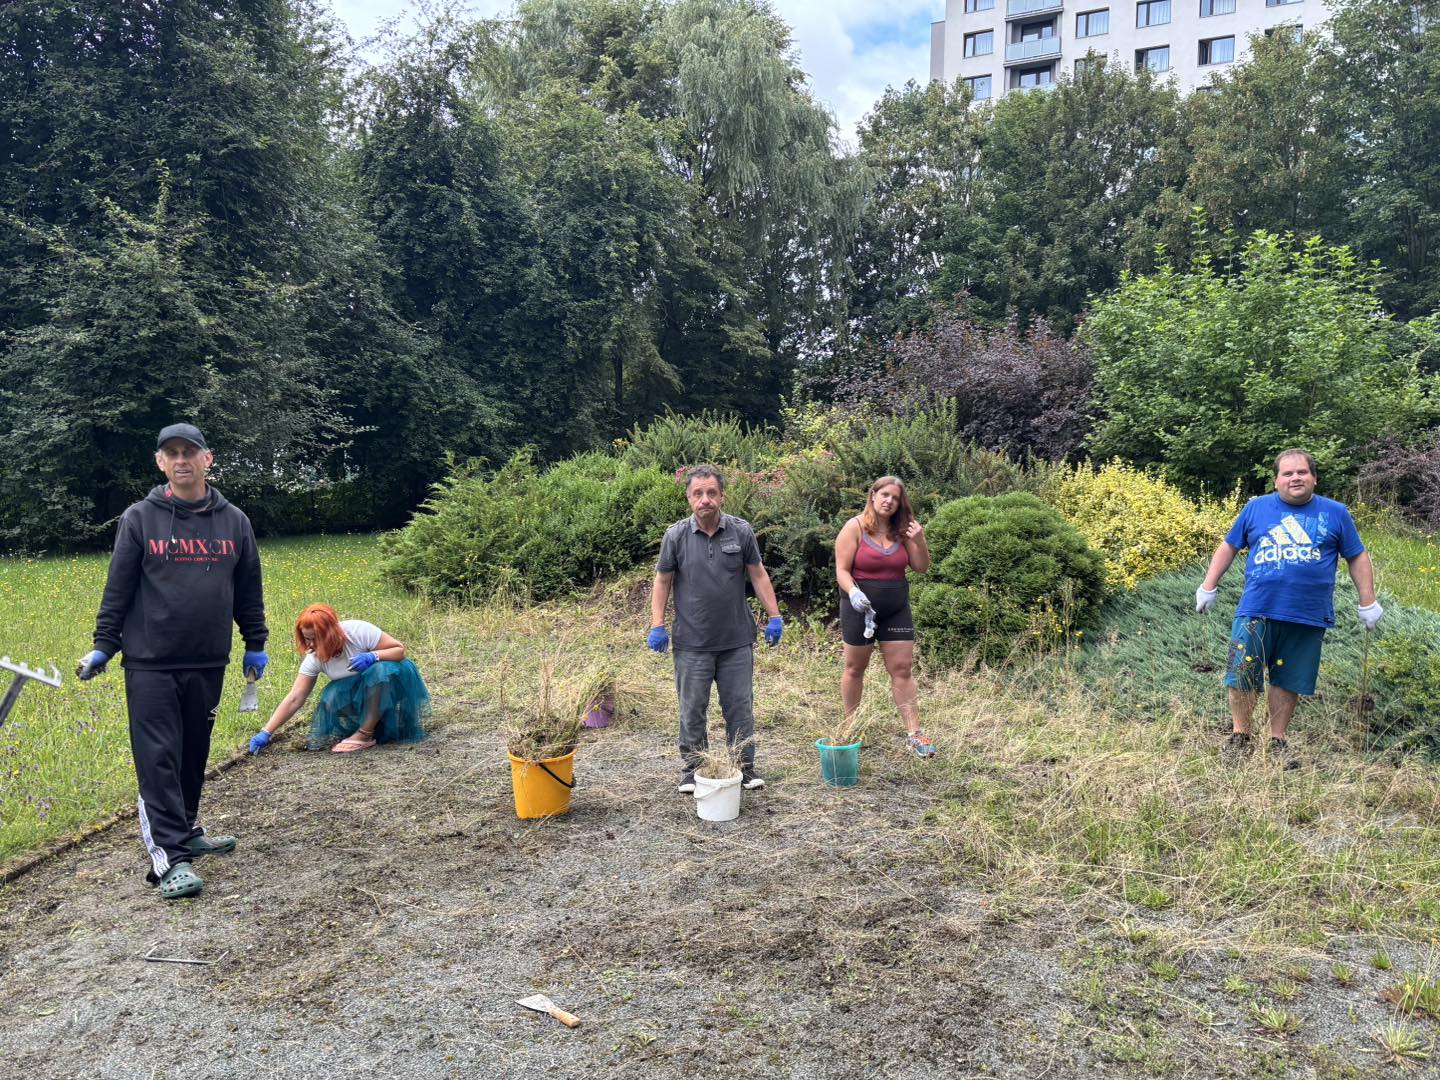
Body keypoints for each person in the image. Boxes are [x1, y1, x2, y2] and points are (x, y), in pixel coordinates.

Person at [77, 423, 268, 901]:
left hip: (208, 659)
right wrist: (105, 645)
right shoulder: (140, 518)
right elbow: (118, 588)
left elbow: (248, 588)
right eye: (172, 453)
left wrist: (255, 641)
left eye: (190, 452)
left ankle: (186, 829)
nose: (181, 460)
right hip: (151, 662)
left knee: (192, 752)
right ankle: (170, 859)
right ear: (160, 462)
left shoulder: (235, 522)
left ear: (208, 459)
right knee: (158, 758)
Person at [1196, 449, 1382, 769]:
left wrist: (1368, 600)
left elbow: (1357, 555)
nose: (1295, 478)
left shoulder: (1335, 513)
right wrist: (1208, 584)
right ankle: (1241, 736)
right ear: (1276, 481)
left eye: (1302, 472)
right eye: (1288, 473)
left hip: (1307, 614)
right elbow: (1229, 546)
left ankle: (1277, 740)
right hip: (1257, 608)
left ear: (1314, 478)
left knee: (1288, 679)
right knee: (1242, 672)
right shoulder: (1256, 508)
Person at [648, 465, 783, 793]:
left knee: (739, 707)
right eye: (698, 493)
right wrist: (657, 625)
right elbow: (663, 581)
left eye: (711, 492)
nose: (705, 499)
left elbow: (758, 574)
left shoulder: (741, 531)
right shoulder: (675, 536)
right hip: (691, 642)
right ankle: (693, 769)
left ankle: (744, 767)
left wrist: (775, 616)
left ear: (721, 496)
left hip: (736, 640)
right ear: (689, 498)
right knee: (692, 708)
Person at [835, 476, 933, 757]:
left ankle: (914, 735)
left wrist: (920, 540)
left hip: (895, 609)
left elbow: (921, 567)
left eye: (895, 498)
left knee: (902, 669)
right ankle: (850, 728)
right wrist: (854, 592)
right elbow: (842, 570)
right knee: (855, 668)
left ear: (900, 503)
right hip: (859, 608)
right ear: (873, 495)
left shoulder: (904, 531)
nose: (889, 501)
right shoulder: (854, 527)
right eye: (885, 494)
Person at [247, 604, 429, 754]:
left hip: (393, 682)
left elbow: (399, 650)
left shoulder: (358, 631)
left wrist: (373, 656)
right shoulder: (314, 658)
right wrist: (266, 732)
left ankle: (365, 733)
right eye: (307, 639)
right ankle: (377, 722)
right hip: (362, 693)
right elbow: (295, 697)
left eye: (315, 638)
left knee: (379, 671)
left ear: (330, 633)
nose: (311, 644)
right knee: (331, 700)